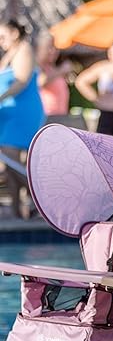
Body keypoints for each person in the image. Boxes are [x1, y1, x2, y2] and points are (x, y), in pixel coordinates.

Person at [0, 19, 45, 218]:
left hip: (22, 112)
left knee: (10, 160)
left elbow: (21, 81)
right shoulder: (9, 53)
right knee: (8, 164)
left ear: (15, 33)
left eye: (3, 36)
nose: (0, 41)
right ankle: (17, 211)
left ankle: (42, 201)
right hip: (8, 112)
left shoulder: (24, 49)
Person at [37, 32, 71, 117]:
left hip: (59, 116)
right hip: (45, 117)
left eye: (56, 48)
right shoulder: (37, 67)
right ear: (39, 48)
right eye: (49, 47)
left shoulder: (52, 68)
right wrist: (61, 70)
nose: (54, 51)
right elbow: (40, 82)